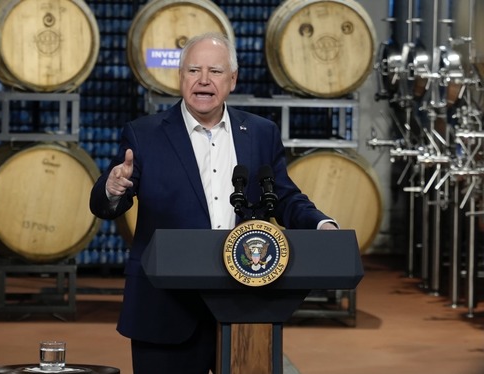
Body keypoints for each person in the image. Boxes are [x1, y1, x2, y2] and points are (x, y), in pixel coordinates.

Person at [89, 32, 338, 374]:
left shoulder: (261, 132)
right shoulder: (144, 134)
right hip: (166, 308)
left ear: (232, 79)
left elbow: (282, 195)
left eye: (215, 71)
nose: (203, 80)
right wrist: (113, 188)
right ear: (181, 78)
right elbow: (106, 205)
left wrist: (321, 224)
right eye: (193, 70)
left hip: (244, 306)